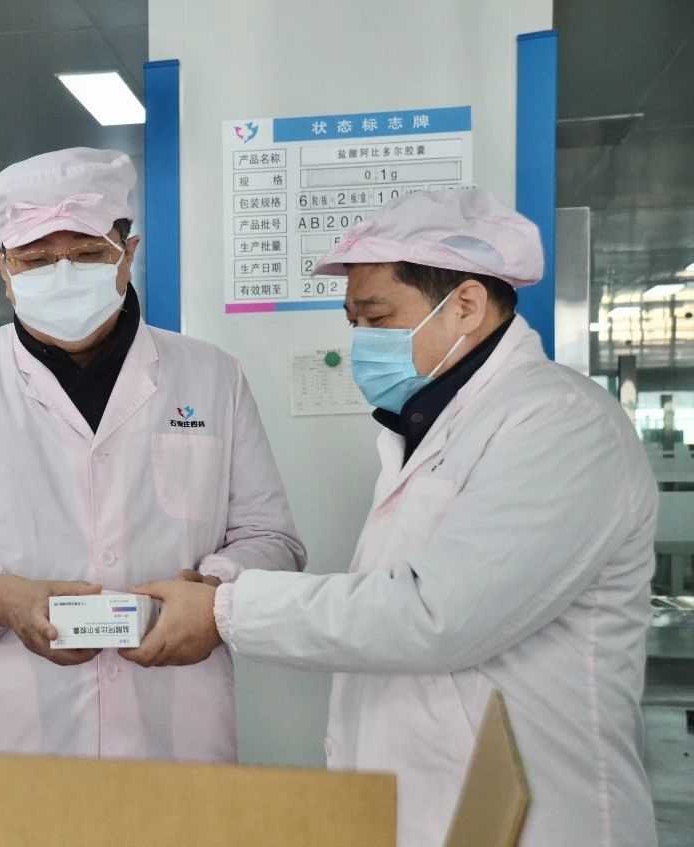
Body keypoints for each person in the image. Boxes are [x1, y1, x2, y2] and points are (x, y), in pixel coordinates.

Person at [124, 189, 657, 846]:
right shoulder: (431, 427)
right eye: (355, 323)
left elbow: (435, 616)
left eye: (377, 318)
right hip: (436, 805)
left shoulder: (560, 424)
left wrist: (224, 610)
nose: (362, 343)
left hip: (539, 816)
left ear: (465, 304)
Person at [0, 147, 306, 760]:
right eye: (36, 260)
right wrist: (0, 598)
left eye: (88, 254)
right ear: (3, 268)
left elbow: (271, 538)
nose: (64, 275)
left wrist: (214, 595)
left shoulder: (212, 375)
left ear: (129, 254)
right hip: (6, 734)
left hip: (173, 727)